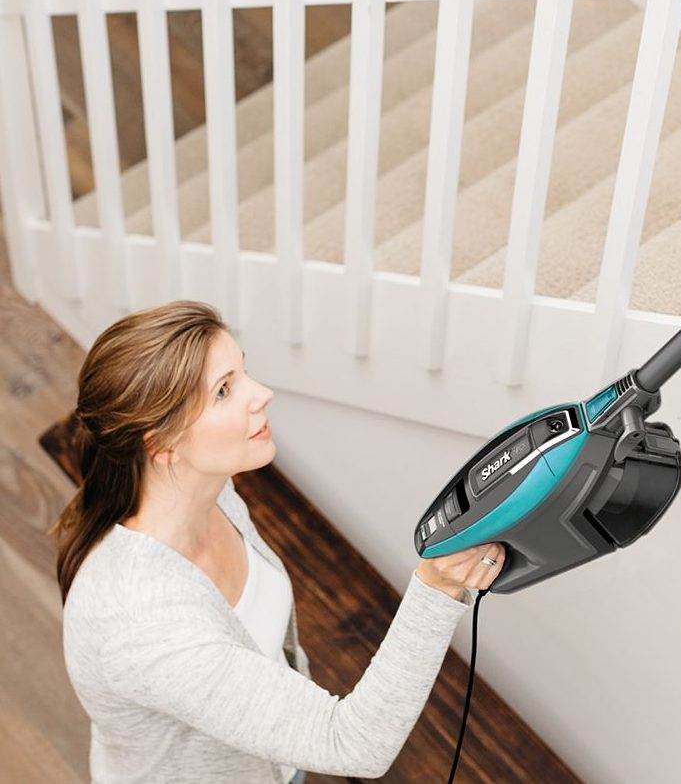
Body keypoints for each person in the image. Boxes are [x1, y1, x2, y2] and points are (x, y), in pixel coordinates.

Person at [52, 300, 505, 783]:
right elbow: (352, 743)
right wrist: (436, 589)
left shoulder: (213, 490)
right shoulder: (143, 622)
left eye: (242, 373)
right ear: (160, 444)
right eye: (224, 391)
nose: (262, 394)